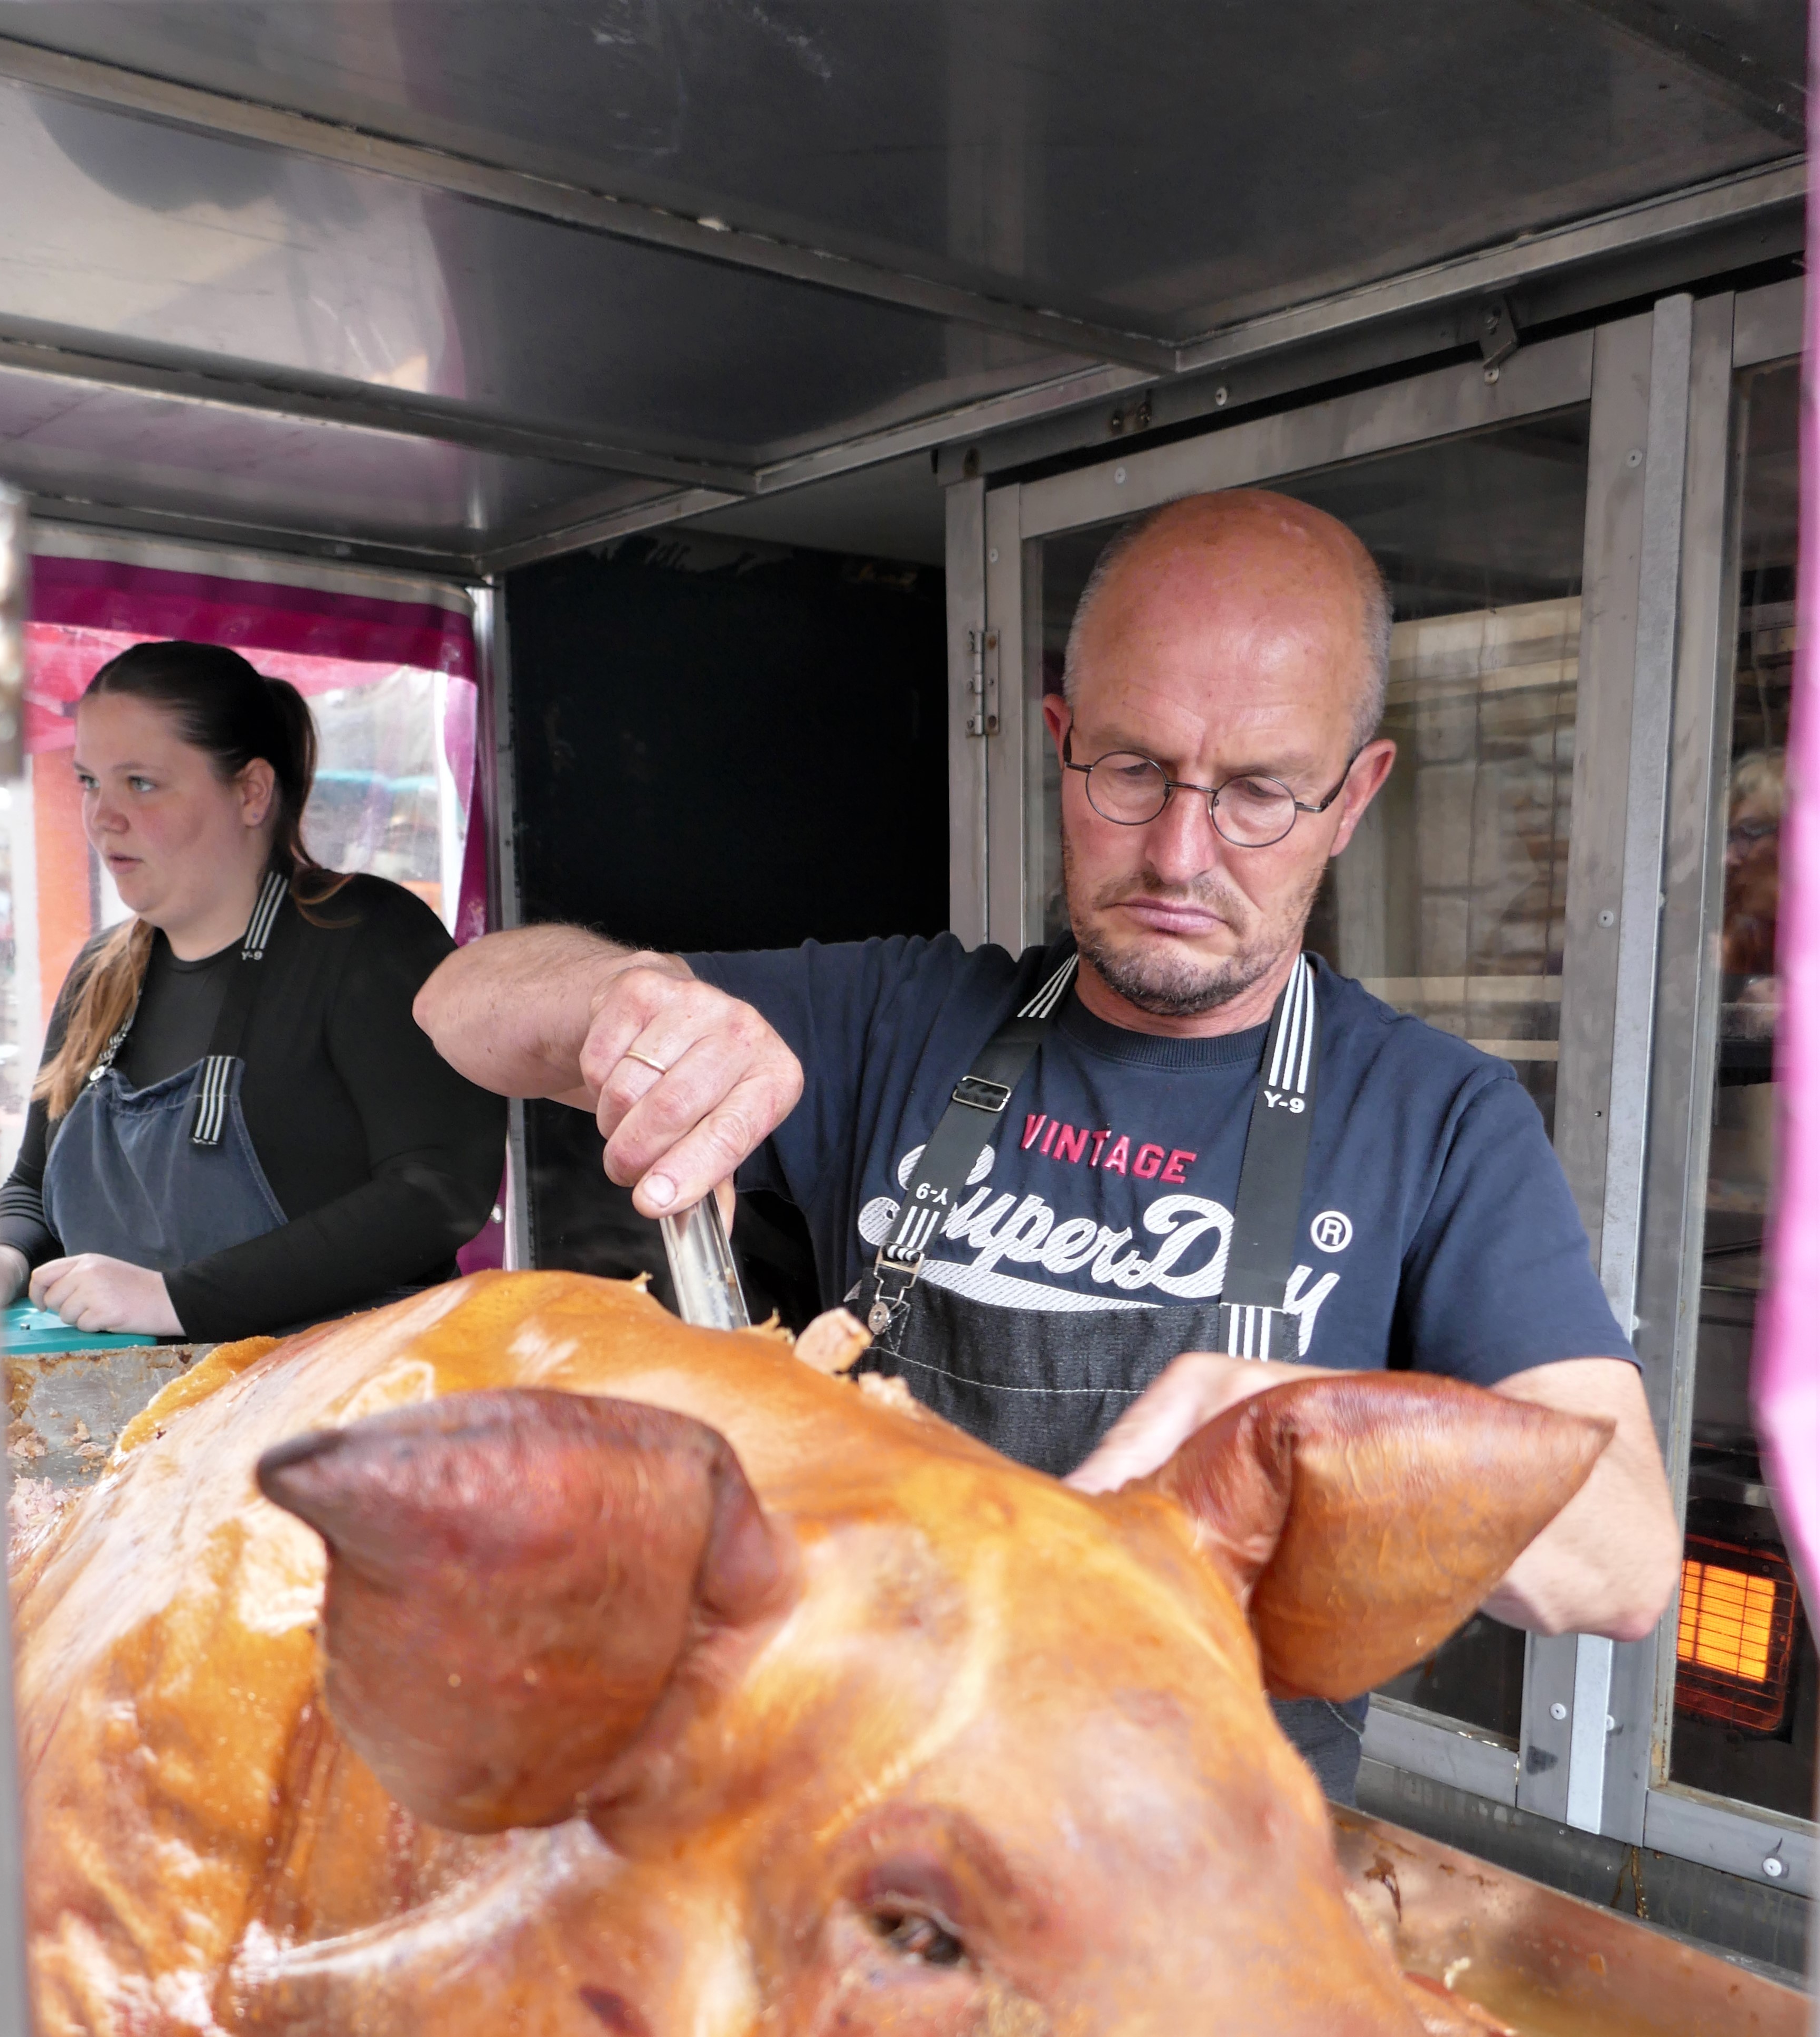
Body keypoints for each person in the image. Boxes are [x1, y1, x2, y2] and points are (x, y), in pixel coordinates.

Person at [415, 489, 1680, 1802]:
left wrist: (1317, 1436)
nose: (1182, 853)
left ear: (1354, 797)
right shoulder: (895, 1019)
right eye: (1133, 771)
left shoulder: (1437, 1118)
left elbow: (1628, 1560)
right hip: (852, 1804)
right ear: (1060, 741)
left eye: (1258, 793)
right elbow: (460, 1004)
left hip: (1185, 1878)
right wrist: (621, 1007)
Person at [0, 640, 505, 1342]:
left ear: (251, 792)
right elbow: (31, 1186)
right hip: (129, 1430)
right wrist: (1, 1256)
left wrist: (175, 1300)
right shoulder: (99, 972)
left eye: (140, 782)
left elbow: (438, 1192)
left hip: (340, 1415)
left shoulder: (366, 937)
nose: (102, 815)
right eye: (89, 781)